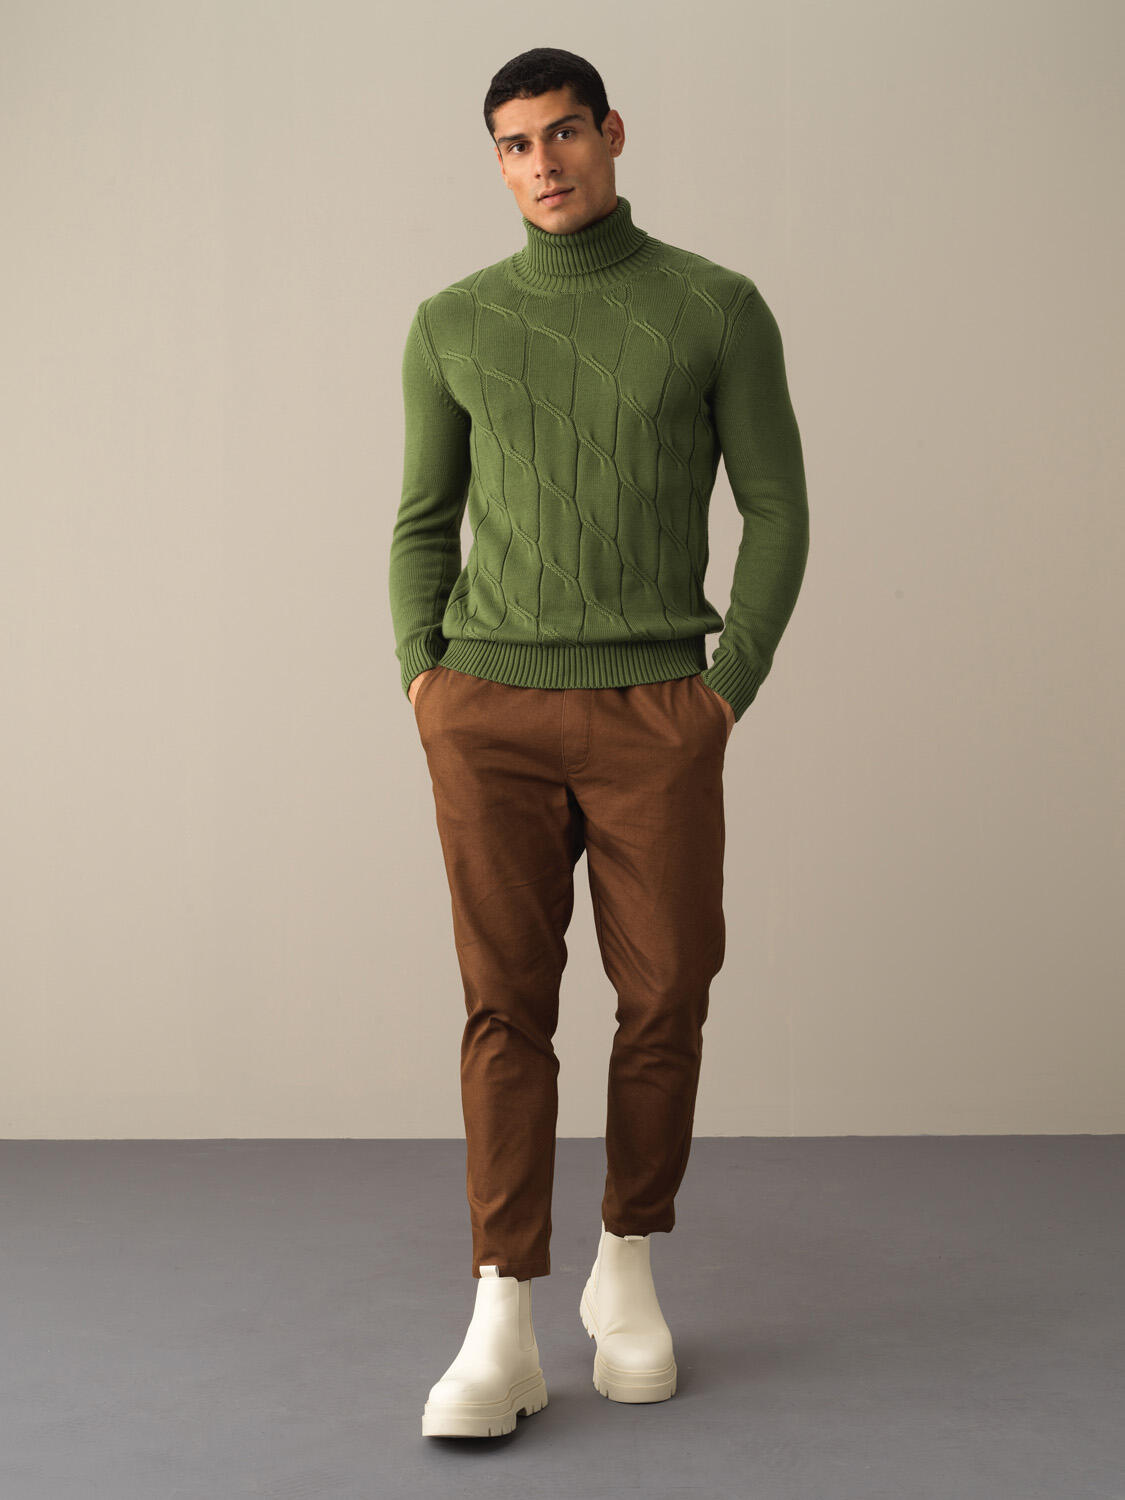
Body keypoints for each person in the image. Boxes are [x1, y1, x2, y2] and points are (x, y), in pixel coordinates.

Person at [388, 47, 809, 1438]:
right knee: (504, 1004)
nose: (543, 163)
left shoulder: (714, 307)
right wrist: (425, 681)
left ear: (611, 133)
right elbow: (422, 521)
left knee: (667, 989)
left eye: (563, 133)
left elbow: (777, 507)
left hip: (654, 714)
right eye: (514, 145)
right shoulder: (451, 323)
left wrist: (724, 687)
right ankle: (500, 1310)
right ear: (497, 162)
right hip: (488, 713)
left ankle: (625, 1264)